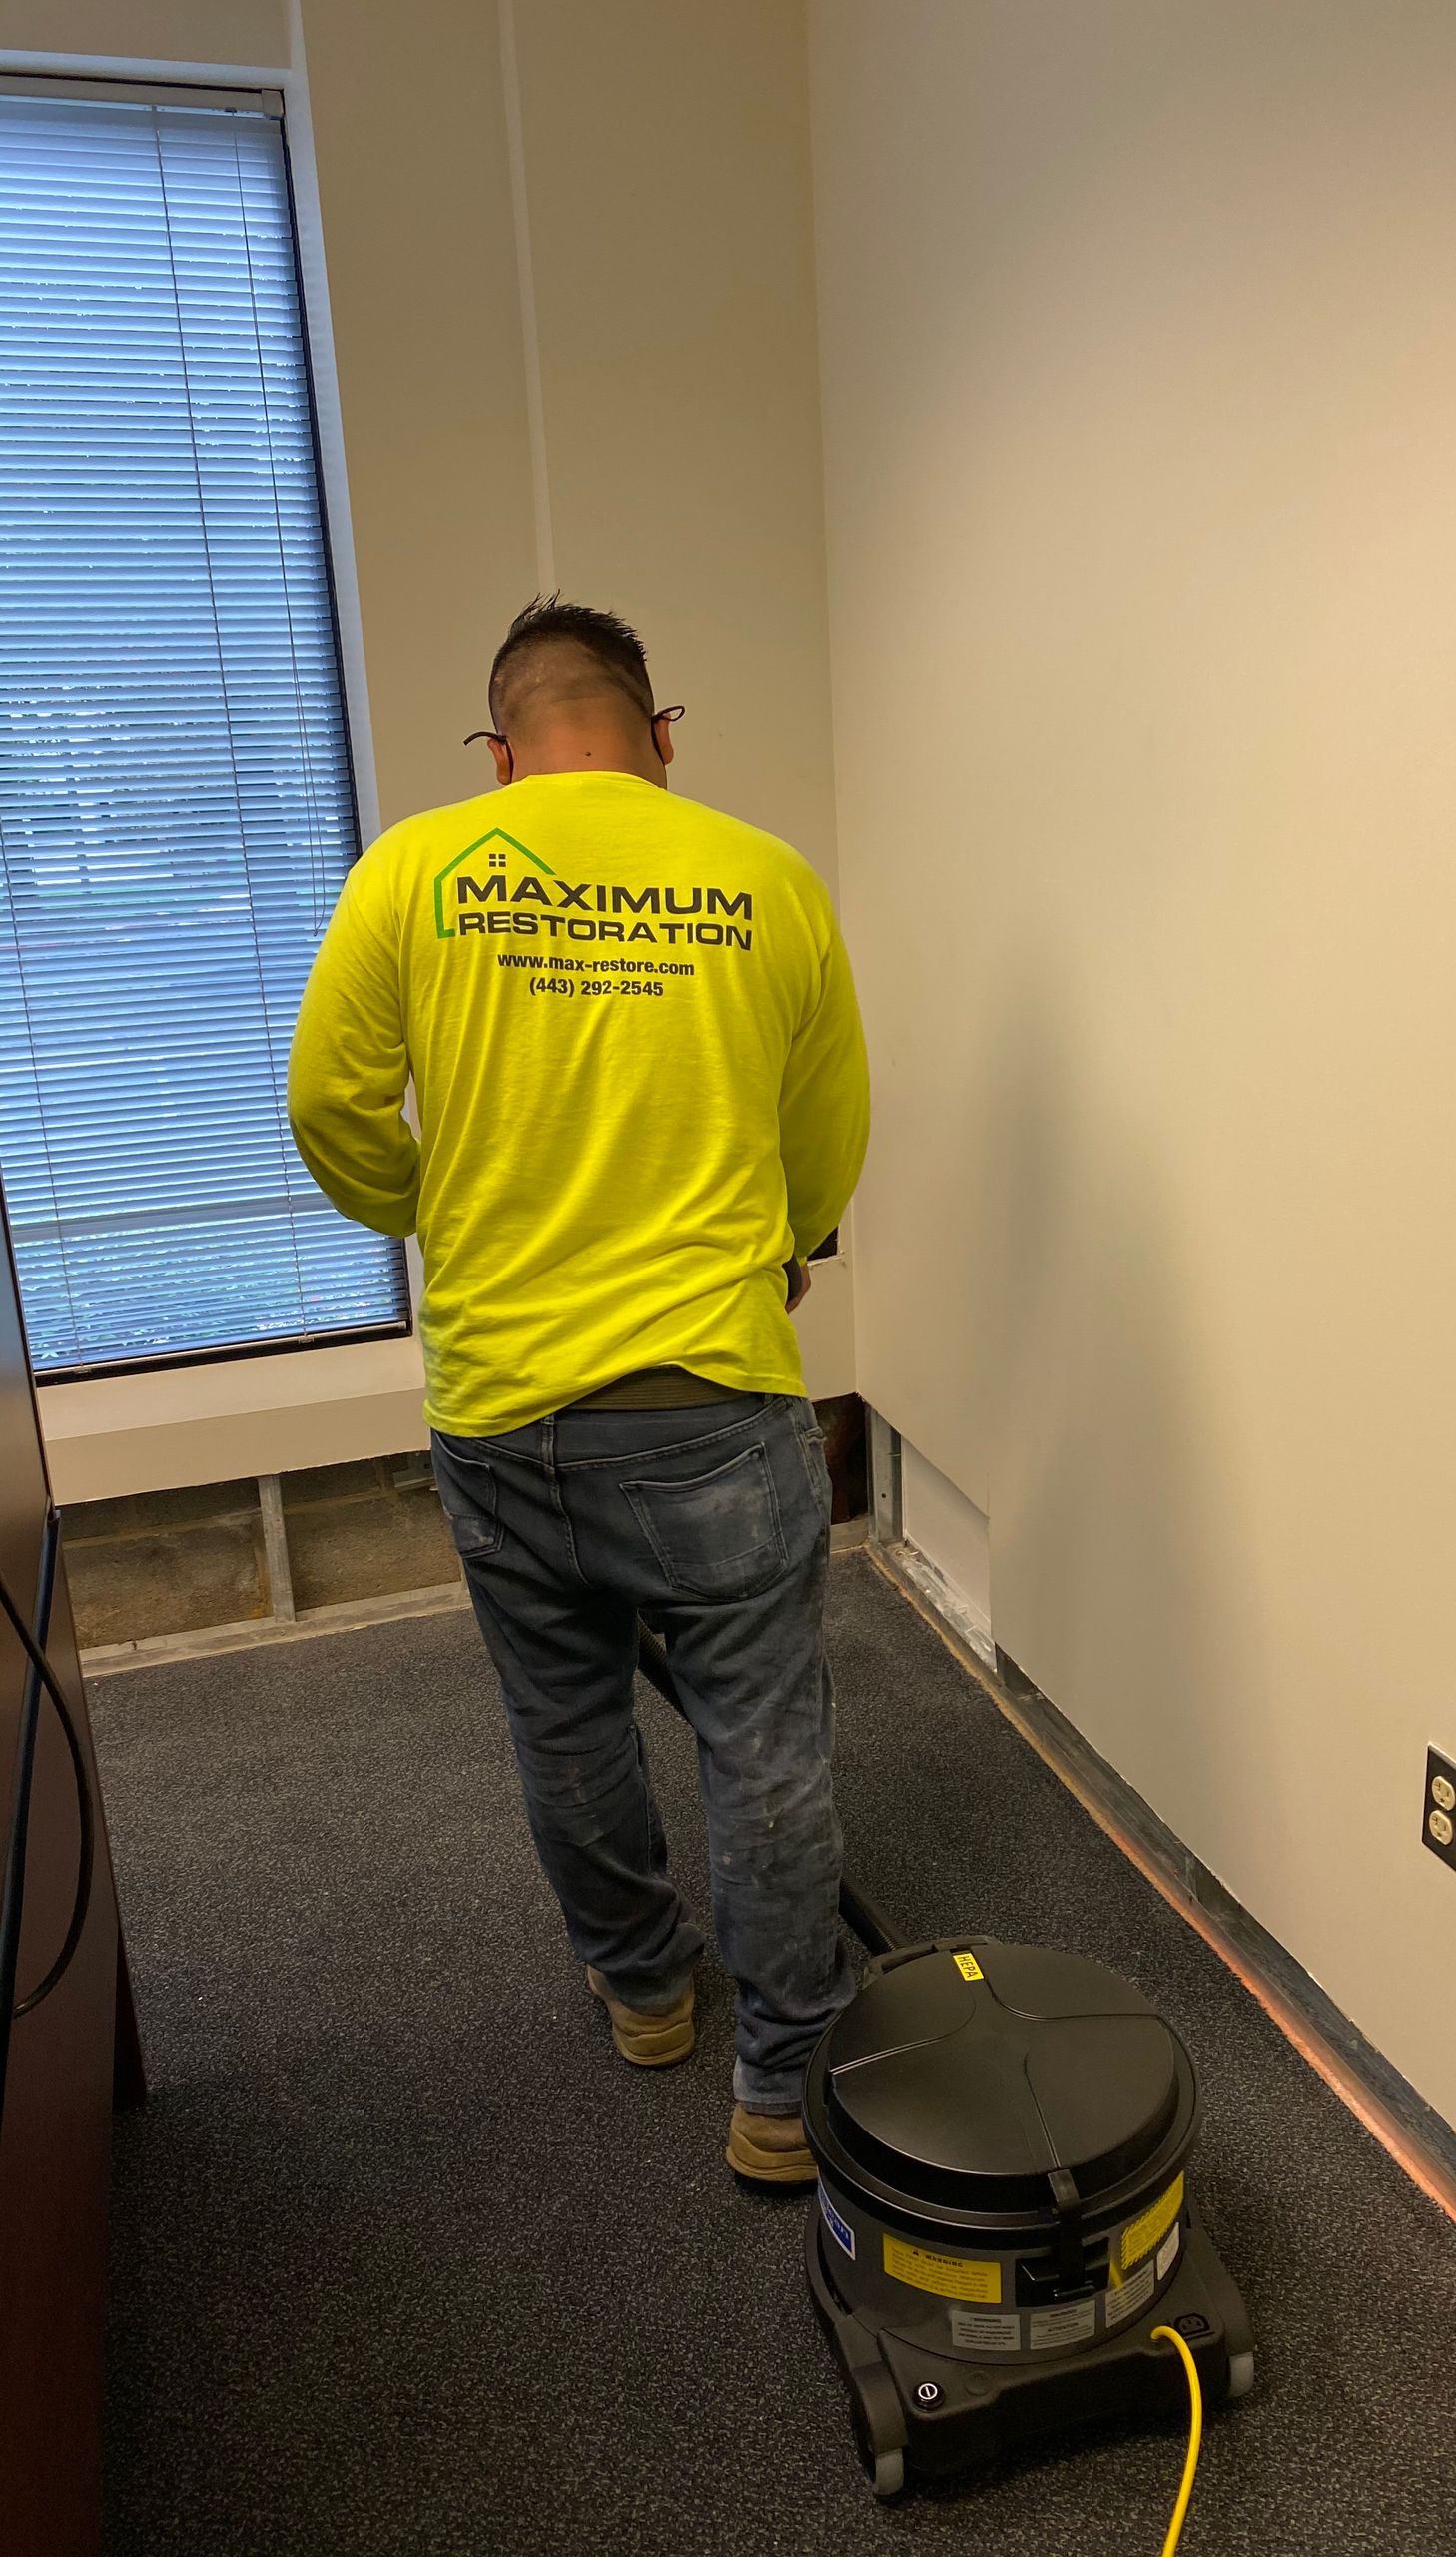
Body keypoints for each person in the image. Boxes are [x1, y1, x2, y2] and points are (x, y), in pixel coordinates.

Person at [287, 597, 868, 2184]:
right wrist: (788, 1248)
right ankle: (781, 2086)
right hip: (711, 1392)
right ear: (659, 733)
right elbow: (829, 1134)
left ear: (499, 755)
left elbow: (323, 1099)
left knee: (566, 1720)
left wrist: (426, 1206)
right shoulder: (764, 878)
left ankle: (644, 1991)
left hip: (501, 1400)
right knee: (762, 1735)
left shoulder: (418, 869)